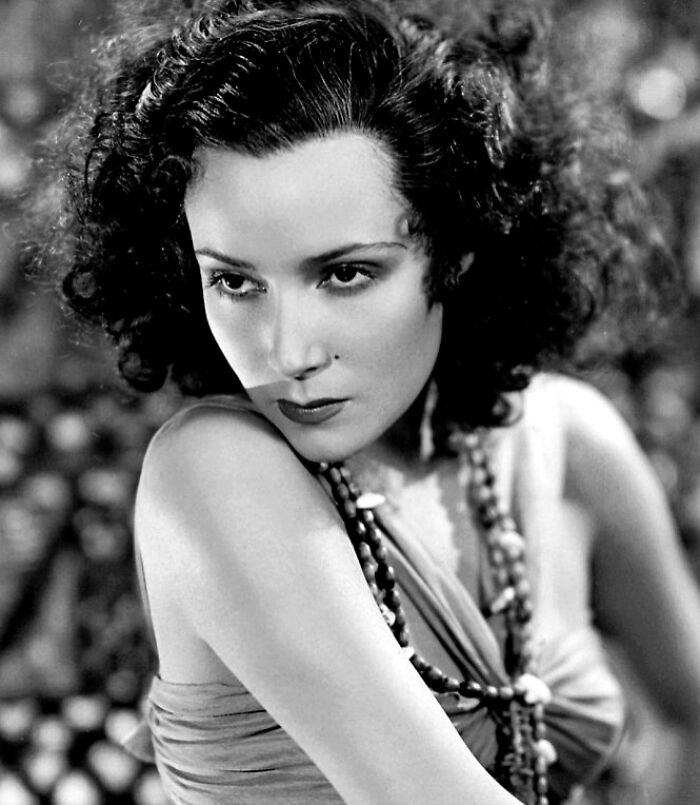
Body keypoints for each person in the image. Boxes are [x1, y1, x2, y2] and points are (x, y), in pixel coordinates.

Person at [41, 0, 700, 802]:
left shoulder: (566, 436)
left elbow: (687, 713)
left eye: (345, 273)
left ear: (455, 248)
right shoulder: (212, 471)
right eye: (235, 280)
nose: (287, 352)